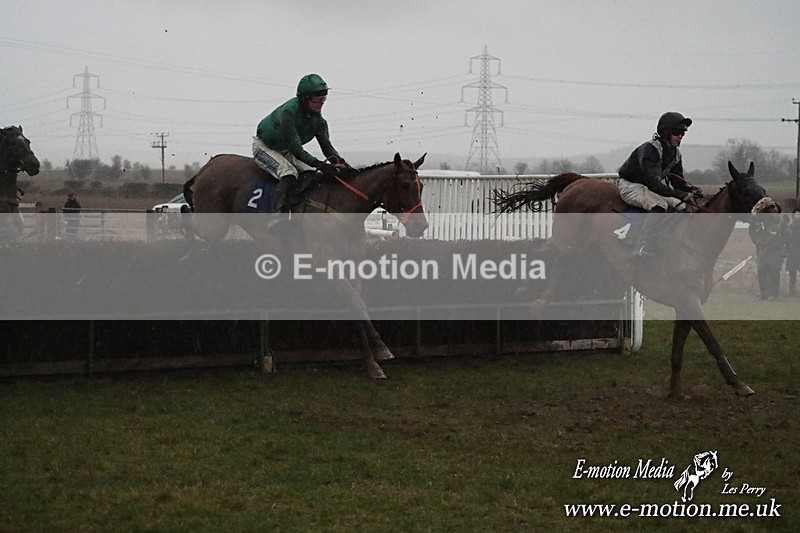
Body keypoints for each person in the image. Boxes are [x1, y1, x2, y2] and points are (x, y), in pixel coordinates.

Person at [252, 73, 346, 213]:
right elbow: (297, 150)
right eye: (317, 99)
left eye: (323, 99)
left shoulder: (320, 122)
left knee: (310, 173)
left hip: (286, 149)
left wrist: (343, 165)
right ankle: (277, 215)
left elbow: (328, 149)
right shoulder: (288, 113)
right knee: (288, 173)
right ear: (304, 99)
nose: (321, 103)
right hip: (265, 147)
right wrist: (320, 164)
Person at [618, 112, 701, 257]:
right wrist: (681, 194)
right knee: (660, 206)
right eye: (677, 132)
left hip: (648, 188)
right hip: (631, 186)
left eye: (683, 132)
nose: (681, 136)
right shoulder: (650, 149)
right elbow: (653, 184)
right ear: (665, 132)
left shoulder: (676, 154)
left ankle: (667, 241)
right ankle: (639, 248)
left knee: (682, 205)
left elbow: (677, 182)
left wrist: (690, 190)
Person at [748, 204, 787, 300]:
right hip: (762, 251)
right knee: (762, 272)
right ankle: (763, 294)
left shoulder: (782, 222)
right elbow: (753, 233)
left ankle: (774, 294)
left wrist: (774, 244)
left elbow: (786, 236)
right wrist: (760, 243)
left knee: (774, 272)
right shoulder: (759, 222)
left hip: (776, 252)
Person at [784, 208, 800, 296]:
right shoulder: (791, 226)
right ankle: (792, 290)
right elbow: (788, 240)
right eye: (796, 214)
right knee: (792, 271)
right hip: (792, 252)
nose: (797, 216)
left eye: (799, 214)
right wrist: (786, 251)